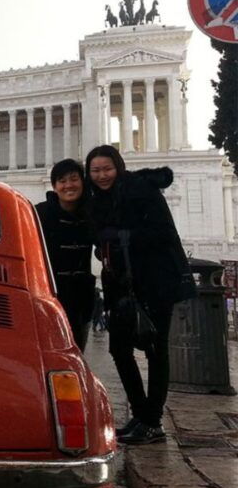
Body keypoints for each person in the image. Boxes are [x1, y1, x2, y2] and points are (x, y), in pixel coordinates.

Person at [85, 145, 195, 445]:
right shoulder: (98, 200)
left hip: (154, 282)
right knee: (119, 349)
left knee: (155, 350)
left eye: (106, 168)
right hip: (122, 286)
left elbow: (162, 233)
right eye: (95, 171)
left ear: (118, 167)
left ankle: (152, 421)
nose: (101, 175)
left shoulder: (141, 189)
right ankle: (142, 414)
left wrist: (121, 237)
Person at [35, 159, 95, 353]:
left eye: (74, 179)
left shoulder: (92, 213)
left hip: (80, 298)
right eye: (62, 181)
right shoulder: (39, 213)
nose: (68, 185)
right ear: (54, 186)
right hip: (49, 296)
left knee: (76, 352)